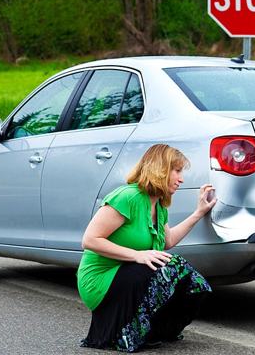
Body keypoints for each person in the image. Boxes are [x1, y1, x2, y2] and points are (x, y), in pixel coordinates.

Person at [77, 144, 216, 352]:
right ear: (159, 169)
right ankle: (125, 333)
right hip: (100, 278)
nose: (181, 179)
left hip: (129, 274)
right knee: (169, 266)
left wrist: (198, 212)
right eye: (176, 171)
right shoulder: (128, 196)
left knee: (186, 275)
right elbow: (90, 240)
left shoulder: (159, 205)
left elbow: (168, 241)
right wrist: (136, 255)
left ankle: (155, 330)